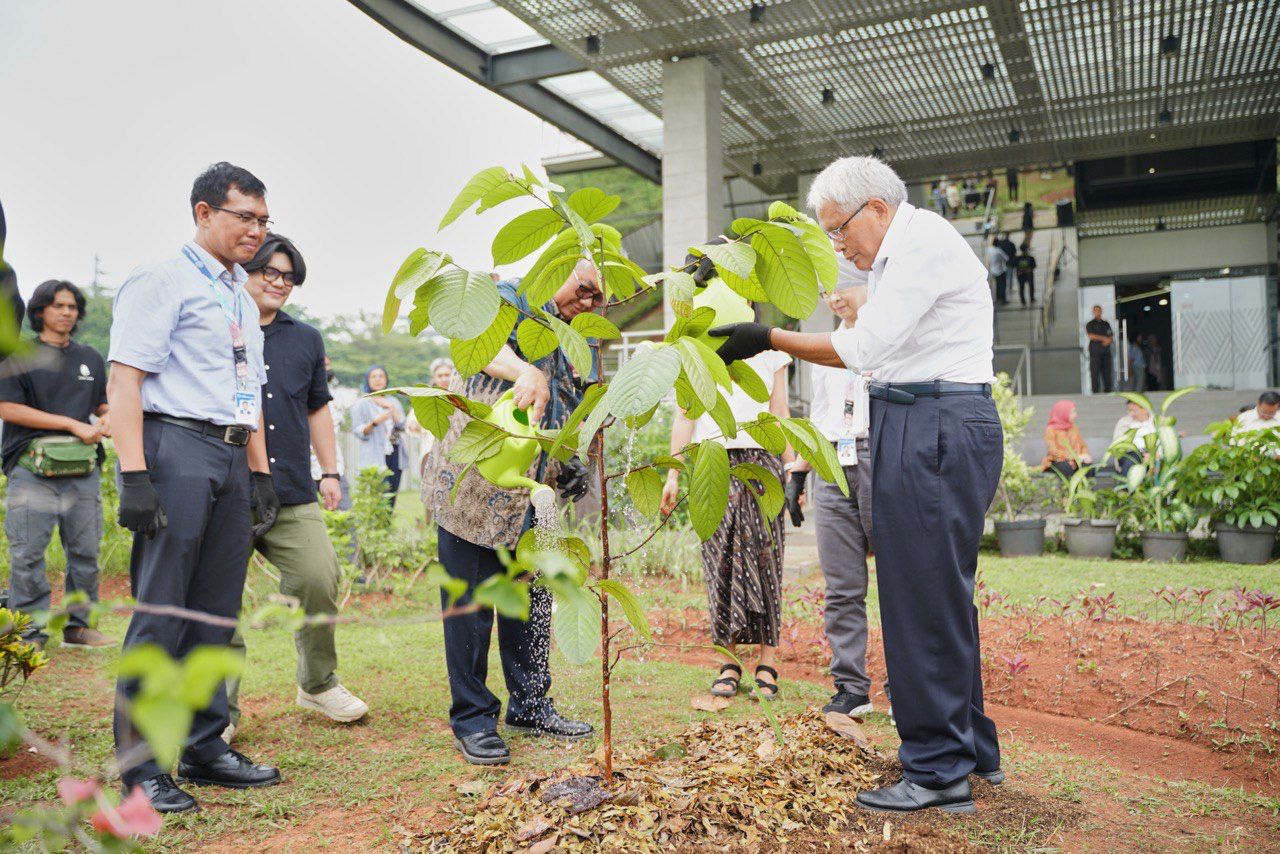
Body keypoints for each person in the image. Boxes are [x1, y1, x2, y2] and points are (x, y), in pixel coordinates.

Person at [710, 155, 1003, 814]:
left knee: (919, 596)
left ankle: (937, 769)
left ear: (876, 207)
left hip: (933, 422)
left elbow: (862, 349)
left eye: (840, 230)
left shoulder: (920, 243)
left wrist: (768, 337)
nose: (839, 247)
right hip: (921, 418)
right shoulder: (898, 254)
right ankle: (969, 750)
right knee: (940, 595)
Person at [107, 162, 281, 813]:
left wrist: (260, 474)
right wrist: (134, 475)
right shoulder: (162, 280)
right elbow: (125, 380)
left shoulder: (241, 295)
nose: (256, 230)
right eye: (245, 217)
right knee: (163, 612)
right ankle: (140, 767)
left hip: (231, 455)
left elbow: (247, 391)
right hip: (175, 449)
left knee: (215, 611)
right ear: (204, 213)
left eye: (264, 220)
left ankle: (205, 746)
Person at [420, 259, 597, 766]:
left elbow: (572, 402)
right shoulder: (509, 297)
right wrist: (526, 370)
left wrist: (573, 459)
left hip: (535, 489)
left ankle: (532, 705)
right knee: (471, 605)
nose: (588, 302)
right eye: (585, 288)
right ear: (557, 269)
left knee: (532, 600)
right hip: (476, 483)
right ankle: (474, 720)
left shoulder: (576, 333)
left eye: (598, 299)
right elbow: (477, 341)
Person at [224, 233, 369, 741]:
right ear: (244, 270)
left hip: (290, 485)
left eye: (289, 277)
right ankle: (218, 711)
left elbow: (317, 408)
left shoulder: (305, 338)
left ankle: (317, 682)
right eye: (270, 271)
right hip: (227, 485)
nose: (280, 282)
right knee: (219, 596)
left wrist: (330, 472)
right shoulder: (218, 326)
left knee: (318, 577)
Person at [659, 273, 794, 702]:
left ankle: (768, 663)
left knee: (767, 558)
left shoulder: (771, 350)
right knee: (719, 560)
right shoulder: (696, 351)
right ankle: (729, 662)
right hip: (712, 464)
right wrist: (673, 473)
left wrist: (793, 470)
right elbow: (685, 416)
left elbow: (780, 413)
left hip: (762, 465)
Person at [0, 280, 112, 649]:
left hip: (82, 471)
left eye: (72, 307)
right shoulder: (18, 356)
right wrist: (70, 424)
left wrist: (108, 417)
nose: (66, 312)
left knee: (85, 551)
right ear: (39, 311)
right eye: (58, 305)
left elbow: (101, 403)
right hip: (31, 469)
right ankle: (29, 632)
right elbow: (7, 408)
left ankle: (80, 627)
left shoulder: (90, 358)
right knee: (28, 551)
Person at [796, 281, 876, 718]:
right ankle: (851, 687)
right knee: (842, 587)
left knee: (901, 584)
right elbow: (821, 415)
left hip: (880, 456)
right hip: (831, 461)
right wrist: (800, 471)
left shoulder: (888, 338)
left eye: (843, 286)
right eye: (825, 291)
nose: (835, 298)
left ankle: (909, 688)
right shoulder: (825, 348)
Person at [349, 366, 405, 505]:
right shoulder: (362, 403)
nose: (378, 379)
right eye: (373, 376)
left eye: (381, 376)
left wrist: (391, 407)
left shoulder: (394, 401)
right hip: (374, 453)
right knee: (378, 494)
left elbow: (402, 425)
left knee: (392, 492)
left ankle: (388, 519)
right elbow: (358, 430)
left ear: (386, 379)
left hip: (394, 452)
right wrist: (375, 422)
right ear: (368, 380)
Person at [1040, 400, 1092, 478]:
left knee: (1088, 467)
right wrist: (1074, 457)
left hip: (1075, 460)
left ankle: (1086, 486)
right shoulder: (1051, 430)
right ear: (1063, 413)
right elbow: (1053, 451)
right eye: (1072, 412)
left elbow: (1082, 445)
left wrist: (1085, 455)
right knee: (1065, 467)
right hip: (1057, 461)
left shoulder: (1073, 427)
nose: (1075, 415)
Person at [1110, 400, 1154, 475]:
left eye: (1134, 410)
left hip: (1155, 454)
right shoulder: (1124, 422)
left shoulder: (1156, 422)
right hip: (1132, 453)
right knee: (1132, 461)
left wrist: (1152, 454)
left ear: (1145, 409)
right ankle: (1126, 483)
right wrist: (1143, 453)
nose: (1131, 414)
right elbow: (1118, 445)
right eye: (1129, 410)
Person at [1085, 306, 1114, 393]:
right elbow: (1091, 336)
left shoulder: (1106, 324)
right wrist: (1104, 338)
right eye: (1096, 311)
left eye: (1099, 310)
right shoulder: (1090, 324)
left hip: (1106, 354)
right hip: (1095, 354)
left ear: (1101, 311)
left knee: (1107, 375)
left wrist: (1108, 340)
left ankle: (1108, 392)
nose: (1097, 312)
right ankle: (1095, 393)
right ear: (1093, 312)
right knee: (1095, 375)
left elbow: (1111, 336)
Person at [986, 235, 1009, 306]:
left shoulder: (989, 249)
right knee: (1002, 286)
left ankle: (997, 298)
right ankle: (1003, 299)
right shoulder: (999, 251)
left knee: (997, 285)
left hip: (993, 270)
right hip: (1000, 270)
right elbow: (1006, 258)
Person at [1013, 243, 1036, 307]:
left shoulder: (1018, 258)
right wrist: (1027, 269)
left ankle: (1023, 301)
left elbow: (1015, 266)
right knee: (1030, 287)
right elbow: (1034, 266)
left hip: (1021, 275)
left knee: (1021, 288)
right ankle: (1031, 299)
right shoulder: (1030, 258)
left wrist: (1021, 270)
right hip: (1028, 275)